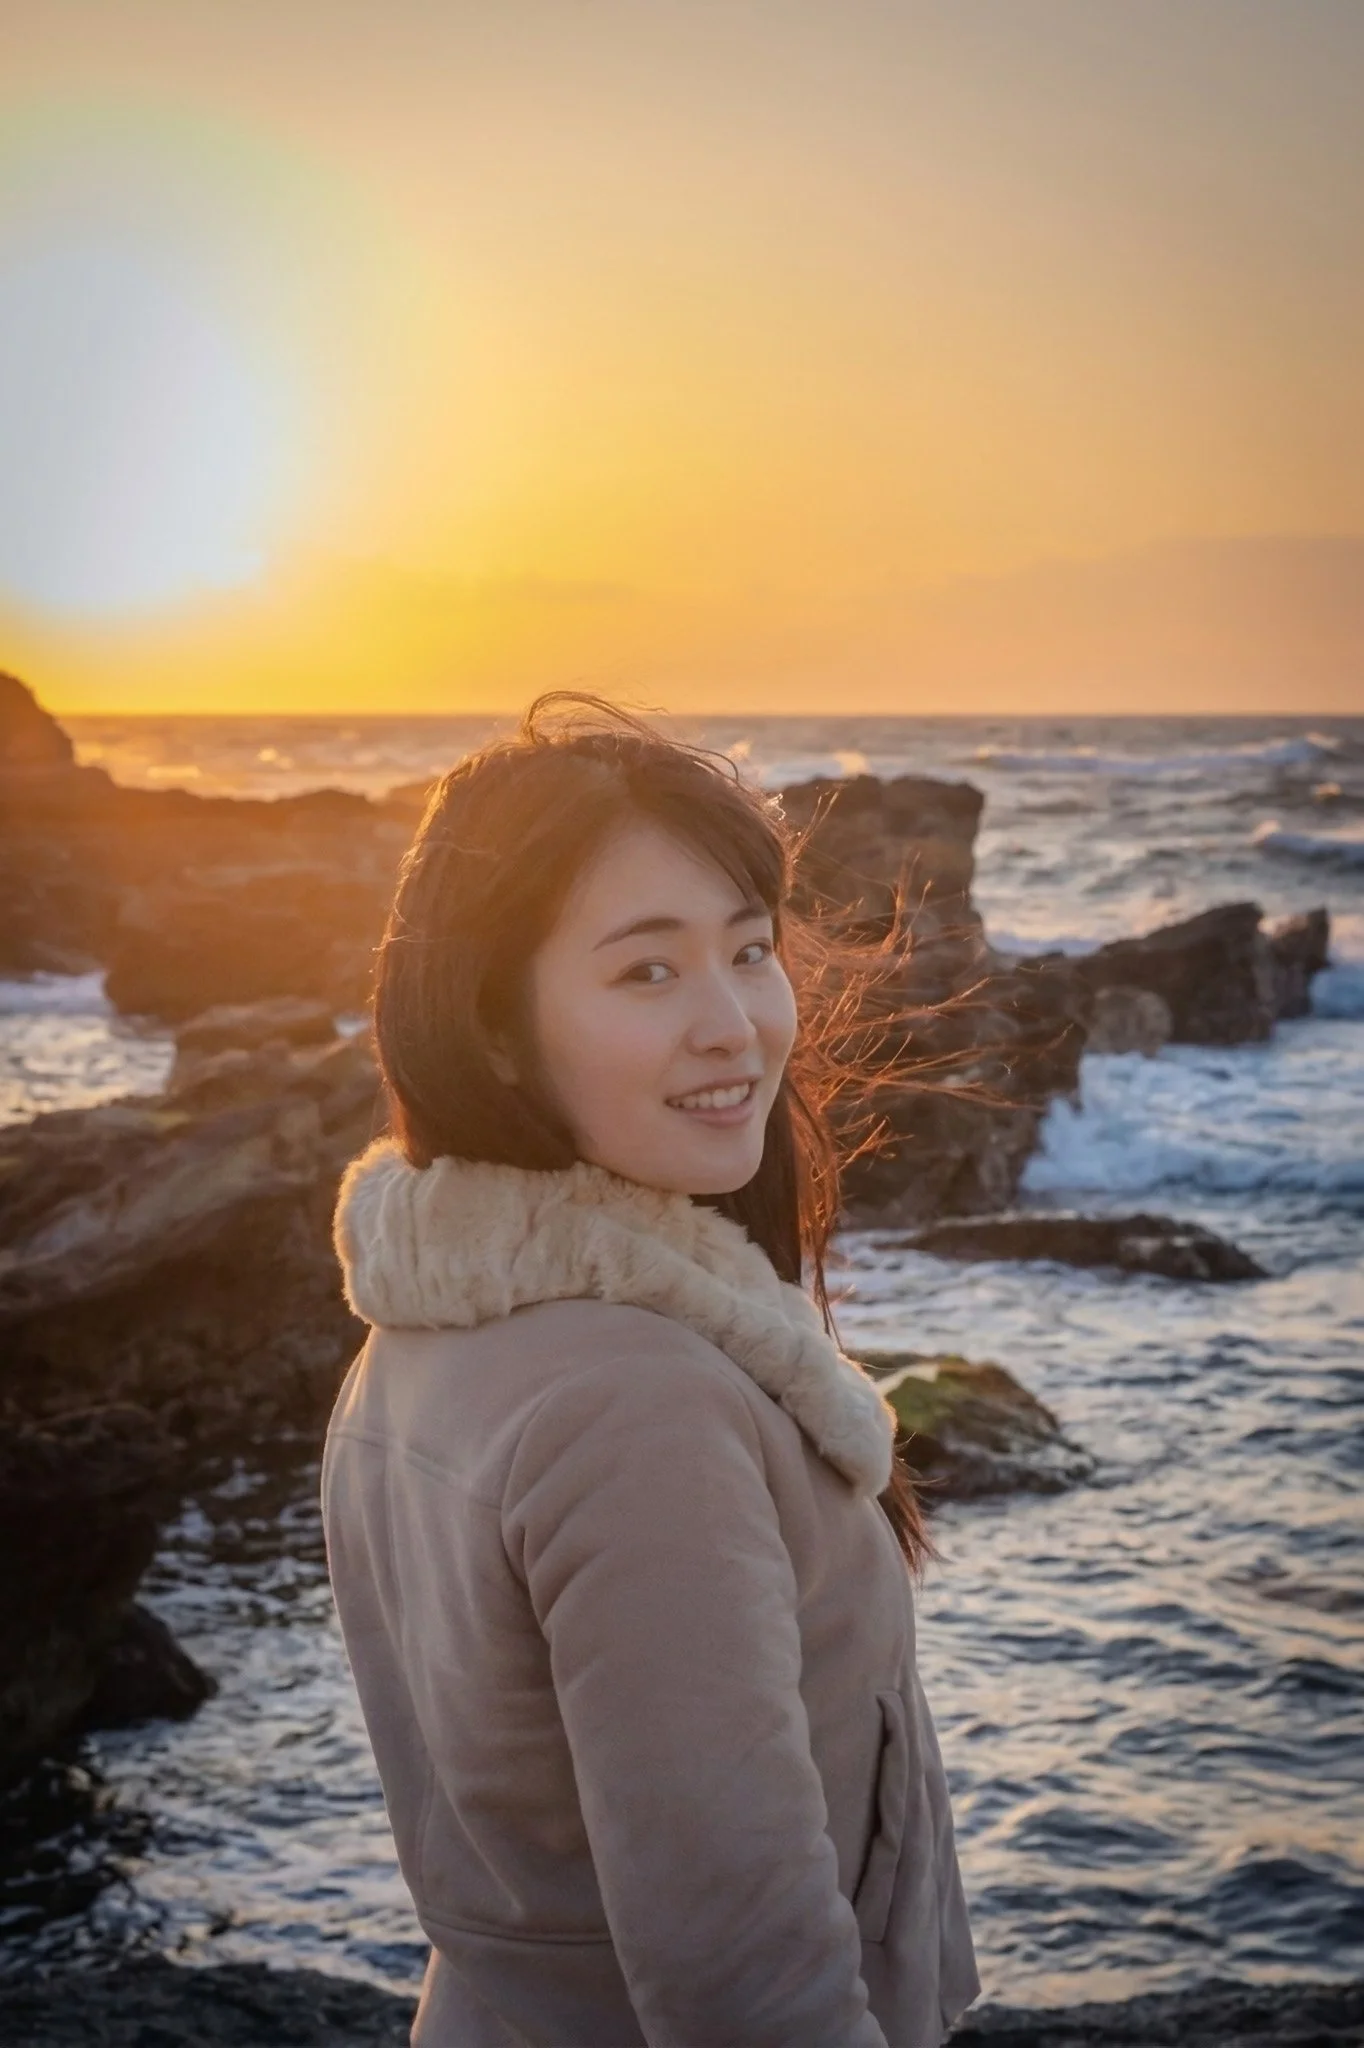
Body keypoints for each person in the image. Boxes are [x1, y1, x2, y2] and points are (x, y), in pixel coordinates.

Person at [321, 692, 981, 2047]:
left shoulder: (425, 1311)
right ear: (494, 1027)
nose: (736, 1024)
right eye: (647, 971)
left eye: (749, 951)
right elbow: (753, 1992)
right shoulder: (641, 1402)